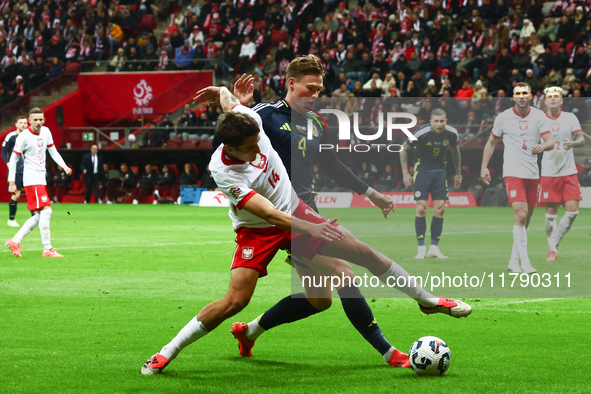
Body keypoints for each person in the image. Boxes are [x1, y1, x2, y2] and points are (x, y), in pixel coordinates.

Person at [141, 89, 471, 375]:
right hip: (258, 231)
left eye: (259, 142)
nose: (260, 151)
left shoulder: (247, 122)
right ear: (232, 147)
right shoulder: (222, 170)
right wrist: (313, 226)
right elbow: (269, 214)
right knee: (235, 300)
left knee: (354, 261)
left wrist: (220, 92)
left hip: (296, 211)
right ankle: (167, 351)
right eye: (251, 148)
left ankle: (426, 301)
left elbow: (230, 103)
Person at [207, 59, 452, 368]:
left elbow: (332, 165)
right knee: (344, 271)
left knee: (318, 299)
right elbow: (227, 139)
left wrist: (371, 193)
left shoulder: (318, 122)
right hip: (284, 216)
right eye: (310, 88)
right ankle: (389, 352)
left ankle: (249, 331)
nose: (315, 94)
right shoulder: (265, 115)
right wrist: (234, 105)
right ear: (291, 83)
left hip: (308, 210)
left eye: (319, 89)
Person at [481, 82, 554, 274]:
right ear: (513, 97)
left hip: (532, 173)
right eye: (518, 93)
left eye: (524, 93)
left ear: (530, 95)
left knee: (526, 220)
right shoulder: (504, 117)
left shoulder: (539, 116)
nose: (521, 96)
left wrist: (543, 147)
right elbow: (491, 142)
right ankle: (525, 263)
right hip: (513, 172)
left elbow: (550, 142)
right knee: (520, 215)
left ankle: (513, 261)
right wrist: (483, 166)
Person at [5, 107, 72, 258]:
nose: (38, 122)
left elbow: (53, 151)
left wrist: (64, 166)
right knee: (46, 211)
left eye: (41, 119)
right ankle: (47, 249)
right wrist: (11, 182)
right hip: (31, 179)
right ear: (29, 121)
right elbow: (13, 159)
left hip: (41, 178)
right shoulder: (23, 137)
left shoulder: (46, 132)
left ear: (44, 120)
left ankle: (15, 241)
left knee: (40, 215)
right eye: (35, 119)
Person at [400, 108, 462, 259]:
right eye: (436, 121)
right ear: (431, 122)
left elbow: (455, 151)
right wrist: (405, 173)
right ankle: (421, 248)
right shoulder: (421, 133)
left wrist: (458, 173)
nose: (439, 124)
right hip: (422, 170)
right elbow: (403, 149)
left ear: (446, 121)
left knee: (440, 209)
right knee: (421, 208)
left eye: (442, 121)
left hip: (440, 171)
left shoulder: (452, 133)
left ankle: (434, 248)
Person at [539, 87, 585, 261]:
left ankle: (554, 242)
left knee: (573, 212)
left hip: (569, 171)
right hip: (549, 172)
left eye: (555, 97)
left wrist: (573, 143)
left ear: (561, 101)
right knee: (551, 211)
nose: (552, 99)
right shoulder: (540, 120)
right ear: (545, 100)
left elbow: (581, 138)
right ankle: (552, 250)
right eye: (549, 97)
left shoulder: (570, 118)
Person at [1, 115, 27, 227]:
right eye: (21, 122)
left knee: (31, 194)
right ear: (16, 124)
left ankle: (35, 219)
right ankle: (11, 219)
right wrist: (8, 163)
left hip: (27, 169)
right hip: (15, 170)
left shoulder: (29, 137)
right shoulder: (11, 137)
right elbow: (3, 152)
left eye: (25, 123)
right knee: (16, 194)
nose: (23, 125)